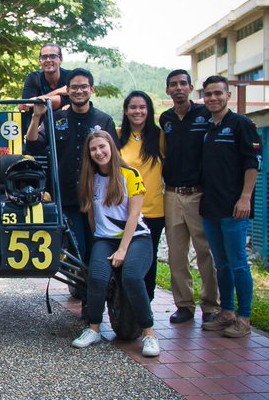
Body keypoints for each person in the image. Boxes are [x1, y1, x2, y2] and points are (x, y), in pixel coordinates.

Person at [72, 130, 159, 357]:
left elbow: (133, 216)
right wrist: (100, 244)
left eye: (102, 147)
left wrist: (122, 249)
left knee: (131, 276)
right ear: (89, 154)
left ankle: (149, 334)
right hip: (105, 239)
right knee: (97, 277)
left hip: (136, 238)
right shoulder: (90, 180)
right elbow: (92, 217)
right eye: (93, 149)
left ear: (111, 147)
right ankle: (93, 329)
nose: (99, 152)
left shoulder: (130, 175)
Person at [26, 68, 118, 263]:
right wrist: (36, 117)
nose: (79, 91)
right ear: (67, 90)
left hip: (98, 197)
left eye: (83, 87)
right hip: (67, 196)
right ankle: (81, 288)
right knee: (77, 249)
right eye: (74, 87)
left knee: (98, 246)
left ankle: (94, 289)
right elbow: (33, 144)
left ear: (91, 89)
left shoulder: (104, 120)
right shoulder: (57, 118)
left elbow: (115, 159)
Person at [199, 76, 261, 338]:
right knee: (221, 264)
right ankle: (226, 313)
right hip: (210, 206)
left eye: (217, 93)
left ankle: (244, 319)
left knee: (238, 264)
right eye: (208, 94)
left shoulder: (242, 124)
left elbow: (253, 163)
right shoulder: (209, 128)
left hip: (235, 208)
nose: (213, 98)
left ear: (228, 95)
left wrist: (245, 197)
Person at [159, 69, 219, 324]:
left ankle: (210, 305)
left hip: (198, 193)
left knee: (205, 252)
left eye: (183, 84)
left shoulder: (205, 115)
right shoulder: (166, 119)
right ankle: (184, 304)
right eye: (173, 85)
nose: (178, 88)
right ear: (168, 90)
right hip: (172, 193)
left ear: (191, 87)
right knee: (176, 254)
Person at [117, 91, 165, 301]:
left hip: (152, 210)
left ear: (149, 110)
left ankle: (147, 301)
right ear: (126, 111)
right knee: (123, 257)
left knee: (148, 259)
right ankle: (124, 305)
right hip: (122, 211)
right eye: (133, 107)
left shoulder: (160, 137)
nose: (138, 111)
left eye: (142, 107)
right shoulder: (117, 136)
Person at [19, 42, 71, 112]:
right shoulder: (33, 78)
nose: (48, 60)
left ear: (60, 59)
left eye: (53, 56)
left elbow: (79, 102)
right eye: (44, 57)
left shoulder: (71, 77)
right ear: (40, 61)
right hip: (38, 119)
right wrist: (58, 91)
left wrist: (37, 100)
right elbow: (24, 106)